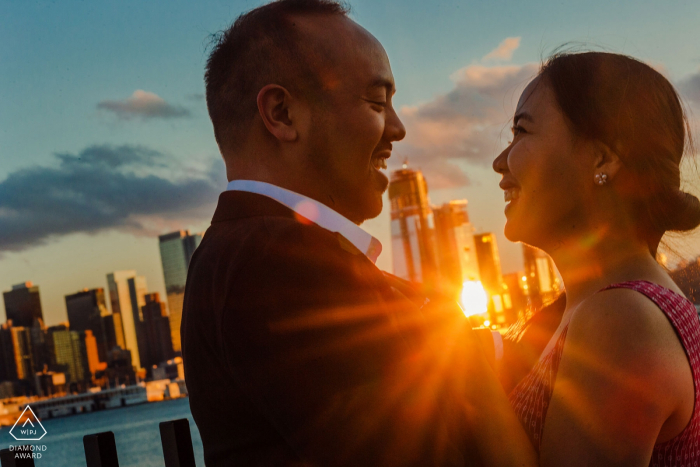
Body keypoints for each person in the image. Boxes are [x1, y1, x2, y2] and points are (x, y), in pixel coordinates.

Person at [181, 1, 471, 465]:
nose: (397, 128)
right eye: (377, 103)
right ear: (282, 113)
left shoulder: (242, 252)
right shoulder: (281, 262)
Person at [455, 51, 700, 466]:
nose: (500, 163)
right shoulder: (598, 310)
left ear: (603, 158)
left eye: (521, 131)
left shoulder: (621, 319)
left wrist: (472, 374)